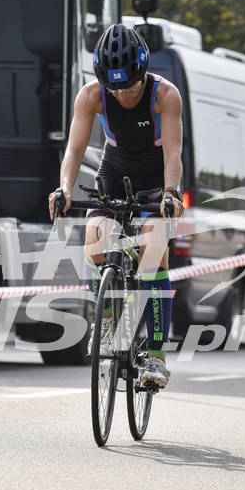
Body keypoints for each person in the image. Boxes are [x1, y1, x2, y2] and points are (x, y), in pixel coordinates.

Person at [48, 22, 185, 388]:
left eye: (131, 87)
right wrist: (63, 189)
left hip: (155, 179)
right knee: (96, 242)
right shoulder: (91, 96)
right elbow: (74, 150)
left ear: (143, 74)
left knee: (153, 253)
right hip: (114, 170)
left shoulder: (165, 95)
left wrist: (171, 192)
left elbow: (173, 153)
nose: (123, 95)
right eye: (115, 88)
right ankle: (106, 320)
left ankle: (155, 356)